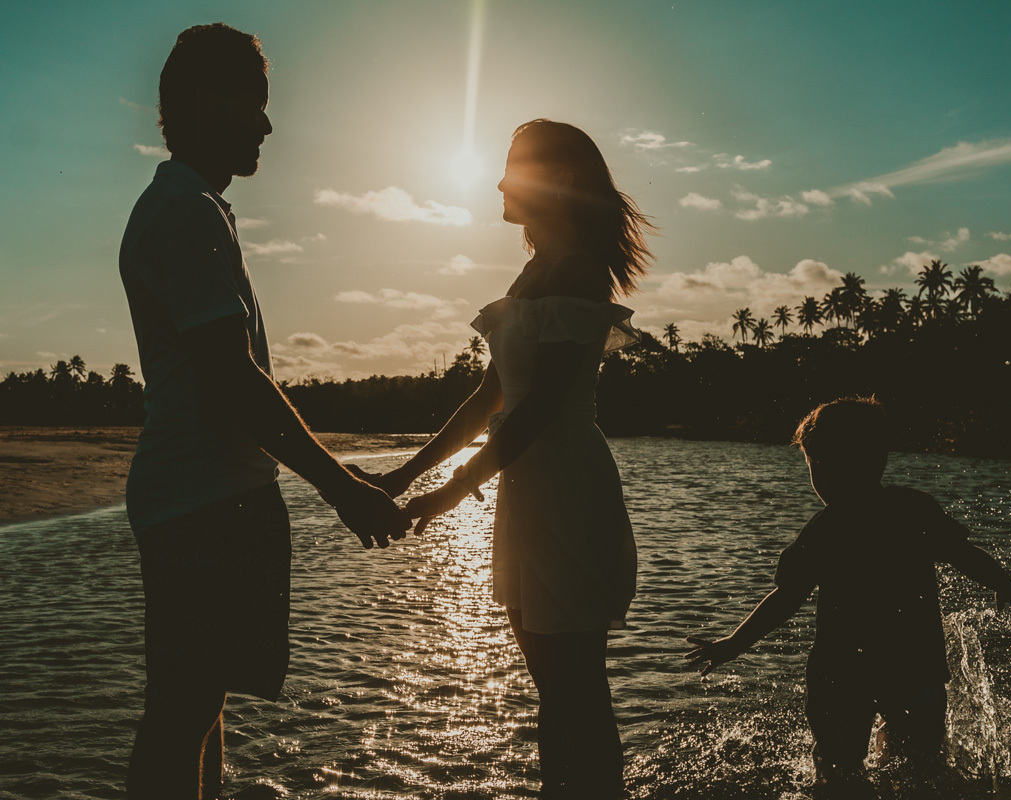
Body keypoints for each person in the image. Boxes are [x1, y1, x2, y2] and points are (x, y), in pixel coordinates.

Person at [118, 23, 410, 800]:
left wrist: (335, 473)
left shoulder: (193, 208)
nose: (267, 124)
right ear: (207, 102)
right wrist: (339, 487)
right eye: (255, 104)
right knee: (182, 709)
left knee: (199, 704)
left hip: (208, 491)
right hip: (202, 497)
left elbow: (230, 375)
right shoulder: (185, 213)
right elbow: (231, 377)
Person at [362, 119, 651, 799]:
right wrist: (404, 474)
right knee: (554, 688)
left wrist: (444, 495)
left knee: (576, 687)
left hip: (568, 492)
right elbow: (488, 399)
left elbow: (534, 414)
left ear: (562, 181)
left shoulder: (579, 272)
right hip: (528, 492)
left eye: (515, 167)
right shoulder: (532, 275)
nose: (498, 180)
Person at [684, 397, 1011, 792]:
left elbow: (785, 598)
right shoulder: (912, 509)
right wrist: (1003, 583)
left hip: (841, 671)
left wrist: (734, 642)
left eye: (811, 465)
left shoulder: (826, 529)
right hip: (914, 664)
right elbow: (964, 555)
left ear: (826, 467)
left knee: (837, 768)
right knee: (919, 767)